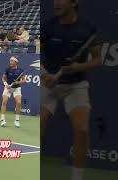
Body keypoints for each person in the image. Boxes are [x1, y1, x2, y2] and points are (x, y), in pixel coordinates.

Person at [41, 0, 102, 180]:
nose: (56, 3)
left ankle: (77, 177)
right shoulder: (47, 27)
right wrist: (45, 75)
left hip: (75, 85)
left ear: (74, 2)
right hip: (48, 85)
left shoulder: (87, 28)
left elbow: (98, 60)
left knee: (82, 129)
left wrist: (78, 67)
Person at [0, 56, 26, 128]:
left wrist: (17, 82)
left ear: (16, 62)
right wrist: (6, 84)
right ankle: (2, 119)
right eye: (10, 61)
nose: (10, 62)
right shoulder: (7, 69)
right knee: (4, 102)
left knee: (19, 102)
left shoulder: (21, 70)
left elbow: (24, 80)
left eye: (12, 61)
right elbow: (3, 78)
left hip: (16, 88)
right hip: (8, 88)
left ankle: (17, 120)